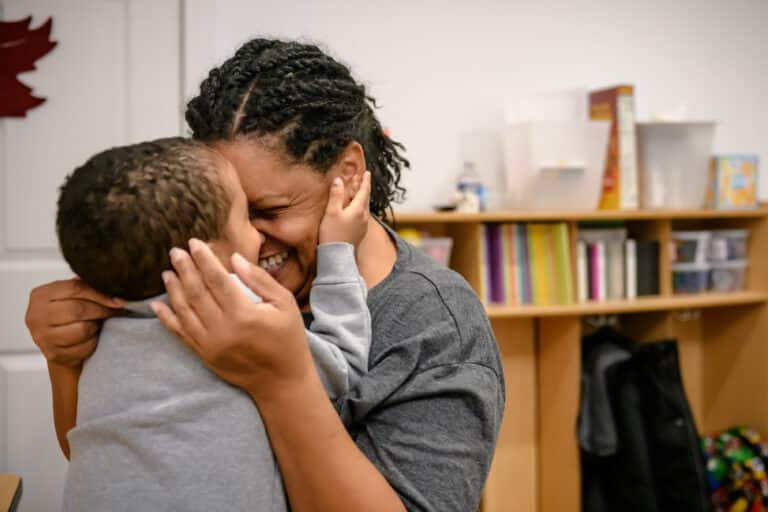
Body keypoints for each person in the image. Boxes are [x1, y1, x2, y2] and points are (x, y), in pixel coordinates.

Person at [26, 38, 505, 511]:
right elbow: (132, 458)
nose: (244, 241)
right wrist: (69, 358)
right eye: (220, 214)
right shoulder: (190, 285)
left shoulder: (435, 326)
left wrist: (282, 382)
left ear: (350, 173)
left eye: (270, 210)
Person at [54, 137, 373, 511]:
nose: (258, 233)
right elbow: (344, 369)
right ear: (204, 255)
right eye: (245, 217)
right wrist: (337, 252)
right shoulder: (243, 311)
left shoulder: (97, 331)